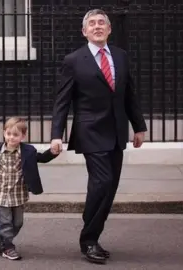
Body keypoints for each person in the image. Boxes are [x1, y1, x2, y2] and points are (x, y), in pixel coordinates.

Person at [49, 9, 147, 264]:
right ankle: (88, 239)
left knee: (110, 187)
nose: (97, 26)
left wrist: (139, 126)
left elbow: (129, 95)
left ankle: (93, 236)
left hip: (116, 131)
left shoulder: (121, 56)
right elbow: (62, 101)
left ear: (109, 29)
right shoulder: (74, 60)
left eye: (101, 22)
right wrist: (56, 135)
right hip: (90, 131)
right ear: (84, 32)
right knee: (101, 183)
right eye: (91, 24)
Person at [0, 117, 58, 260]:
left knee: (17, 223)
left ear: (23, 136)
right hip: (1, 193)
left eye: (15, 135)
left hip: (18, 194)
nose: (11, 137)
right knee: (4, 222)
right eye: (9, 133)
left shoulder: (28, 151)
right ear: (4, 133)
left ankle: (1, 241)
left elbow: (41, 158)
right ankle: (8, 247)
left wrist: (53, 152)